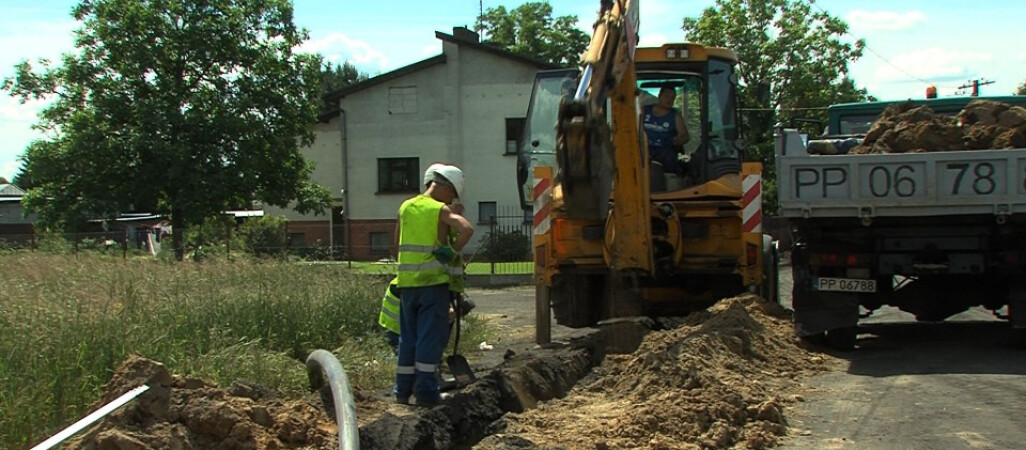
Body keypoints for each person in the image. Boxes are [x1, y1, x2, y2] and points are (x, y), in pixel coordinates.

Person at [393, 164, 474, 407]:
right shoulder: (439, 210)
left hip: (407, 285)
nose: (452, 199)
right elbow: (467, 229)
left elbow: (397, 240)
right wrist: (450, 250)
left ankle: (402, 391)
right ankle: (427, 393)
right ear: (444, 187)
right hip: (433, 285)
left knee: (408, 339)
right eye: (452, 194)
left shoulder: (406, 206)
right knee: (429, 338)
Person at [642, 86, 690, 174]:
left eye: (672, 97)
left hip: (665, 152)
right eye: (667, 96)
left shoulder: (675, 115)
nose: (669, 100)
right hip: (644, 149)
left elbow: (685, 137)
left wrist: (677, 140)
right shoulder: (644, 111)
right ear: (659, 96)